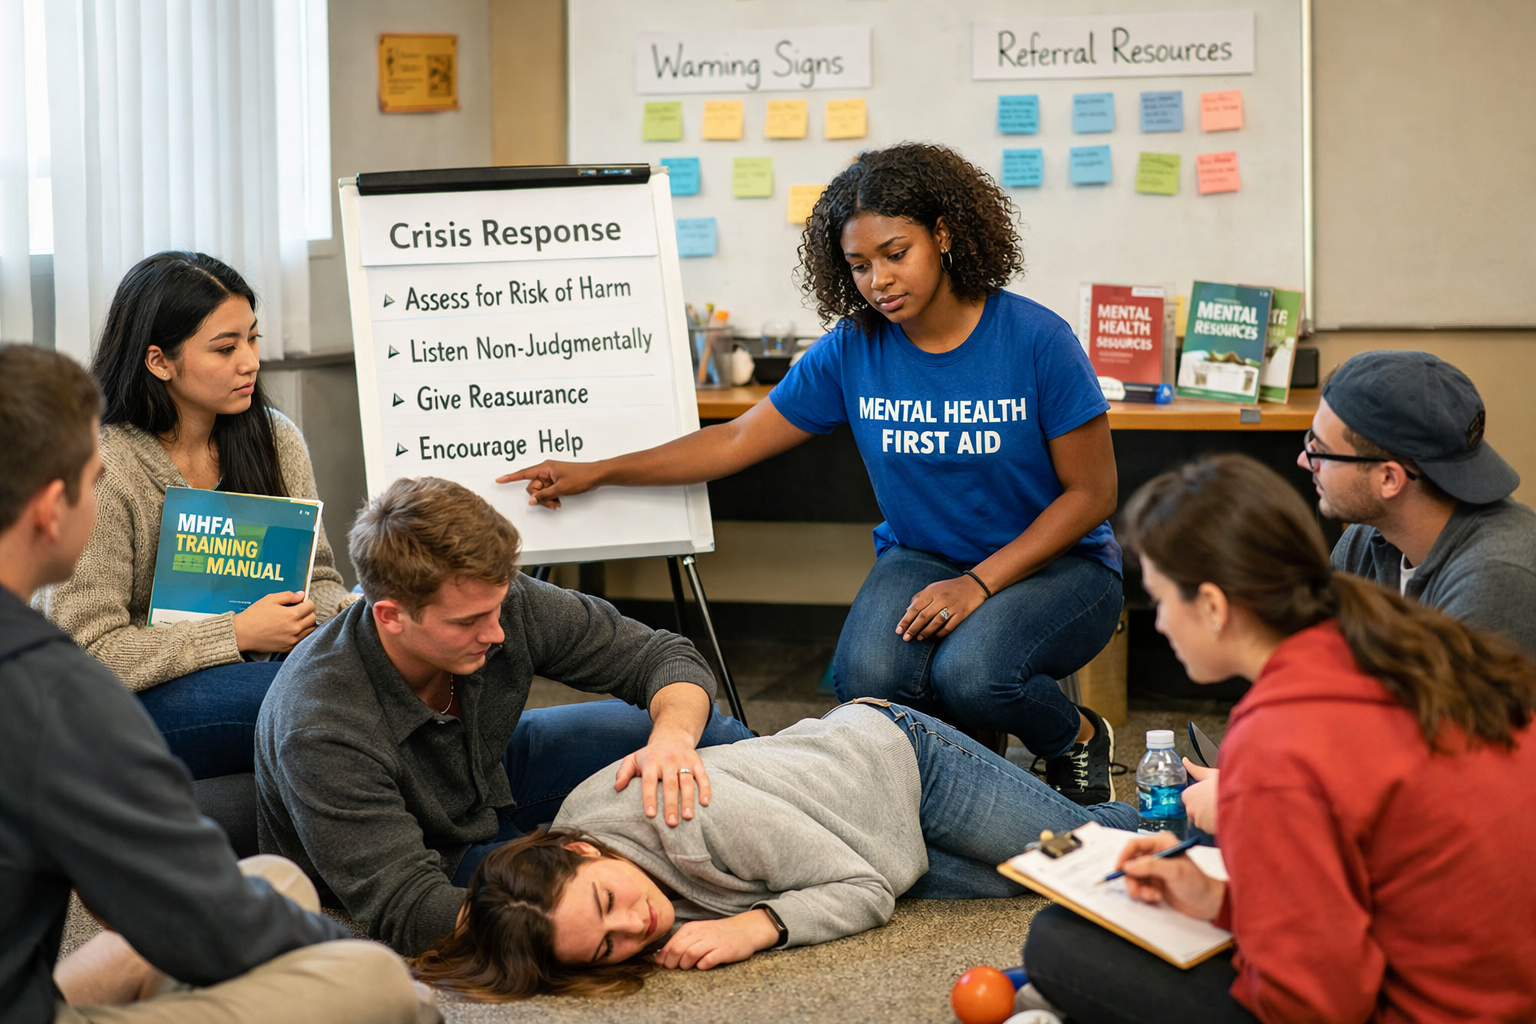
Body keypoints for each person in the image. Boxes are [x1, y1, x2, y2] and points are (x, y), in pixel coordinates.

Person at [502, 142, 1122, 804]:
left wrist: (977, 584)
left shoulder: (1036, 340)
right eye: (859, 265)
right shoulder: (855, 347)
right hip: (925, 556)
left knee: (976, 674)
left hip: (1057, 564)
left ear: (943, 235)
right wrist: (598, 472)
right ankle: (967, 758)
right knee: (868, 681)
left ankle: (1075, 735)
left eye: (895, 253)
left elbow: (1093, 494)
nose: (878, 281)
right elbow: (736, 438)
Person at [1023, 454, 1536, 1024]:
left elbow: (1317, 1003)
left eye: (1162, 600)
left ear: (1213, 606)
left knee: (1057, 941)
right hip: (1495, 976)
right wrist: (1217, 901)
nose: (1160, 623)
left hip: (1428, 1004)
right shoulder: (1387, 642)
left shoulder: (1279, 732)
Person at [0, 344, 425, 1024]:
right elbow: (193, 916)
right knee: (377, 979)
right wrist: (337, 955)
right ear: (53, 509)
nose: (248, 360)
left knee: (275, 879)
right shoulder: (54, 692)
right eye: (95, 479)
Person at [255, 476, 755, 957]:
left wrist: (671, 741)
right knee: (602, 905)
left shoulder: (495, 600)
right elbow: (410, 908)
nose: (496, 632)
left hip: (490, 774)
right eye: (469, 621)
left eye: (496, 606)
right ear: (391, 615)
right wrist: (573, 922)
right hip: (428, 848)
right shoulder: (321, 726)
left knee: (708, 734)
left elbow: (661, 657)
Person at [412, 697, 1140, 999]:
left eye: (608, 902)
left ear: (583, 853)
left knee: (1096, 853)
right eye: (606, 947)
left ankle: (1172, 801)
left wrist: (757, 926)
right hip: (851, 835)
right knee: (1039, 878)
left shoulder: (696, 821)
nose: (636, 925)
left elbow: (866, 889)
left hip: (899, 765)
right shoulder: (575, 853)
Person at [35, 252, 351, 780]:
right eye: (226, 348)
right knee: (305, 694)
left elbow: (316, 579)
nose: (249, 362)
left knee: (379, 666)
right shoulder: (103, 467)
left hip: (265, 666)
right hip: (129, 701)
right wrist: (236, 633)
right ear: (159, 361)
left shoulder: (275, 438)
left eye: (253, 339)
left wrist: (350, 619)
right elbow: (87, 652)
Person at [1305, 350, 1536, 655]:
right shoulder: (1365, 541)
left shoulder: (1494, 580)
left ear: (1389, 478)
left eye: (1320, 451)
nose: (1304, 460)